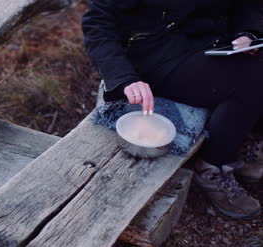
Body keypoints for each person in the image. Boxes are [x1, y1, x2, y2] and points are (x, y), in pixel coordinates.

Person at [82, 0, 262, 219]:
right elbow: (97, 21)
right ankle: (212, 167)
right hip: (158, 54)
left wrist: (248, 32)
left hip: (214, 40)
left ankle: (245, 141)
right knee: (253, 77)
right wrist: (123, 78)